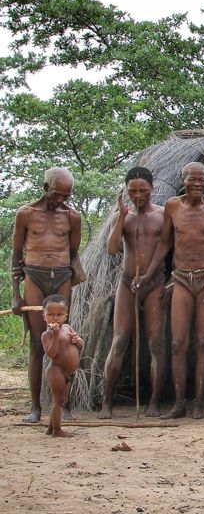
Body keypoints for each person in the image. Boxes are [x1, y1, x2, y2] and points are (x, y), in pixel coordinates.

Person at [145, 162, 204, 420]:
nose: (197, 183)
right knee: (178, 342)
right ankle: (179, 402)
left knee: (203, 342)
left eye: (201, 179)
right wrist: (149, 274)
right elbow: (164, 244)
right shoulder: (173, 206)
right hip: (180, 278)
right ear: (183, 180)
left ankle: (198, 404)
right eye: (192, 179)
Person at [11, 167, 82, 424]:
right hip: (34, 276)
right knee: (37, 345)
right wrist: (16, 296)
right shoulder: (26, 214)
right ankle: (35, 407)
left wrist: (67, 276)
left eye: (66, 195)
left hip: (61, 276)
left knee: (64, 340)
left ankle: (65, 405)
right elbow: (16, 256)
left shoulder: (72, 217)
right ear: (45, 188)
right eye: (56, 194)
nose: (61, 200)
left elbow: (72, 252)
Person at [99, 167, 167, 419]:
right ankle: (107, 402)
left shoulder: (163, 215)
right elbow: (111, 248)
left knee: (156, 343)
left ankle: (154, 402)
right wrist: (120, 216)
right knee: (119, 340)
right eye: (132, 191)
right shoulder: (125, 217)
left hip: (154, 282)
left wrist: (149, 277)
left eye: (143, 190)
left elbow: (167, 249)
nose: (138, 195)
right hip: (127, 283)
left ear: (152, 188)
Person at [40, 295, 83, 438]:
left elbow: (81, 345)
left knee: (62, 399)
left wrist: (78, 340)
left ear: (66, 315)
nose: (55, 318)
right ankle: (57, 430)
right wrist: (56, 335)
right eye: (51, 315)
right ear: (44, 316)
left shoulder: (68, 328)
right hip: (56, 370)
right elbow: (51, 353)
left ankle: (51, 427)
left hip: (67, 372)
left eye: (59, 314)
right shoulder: (47, 335)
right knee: (58, 400)